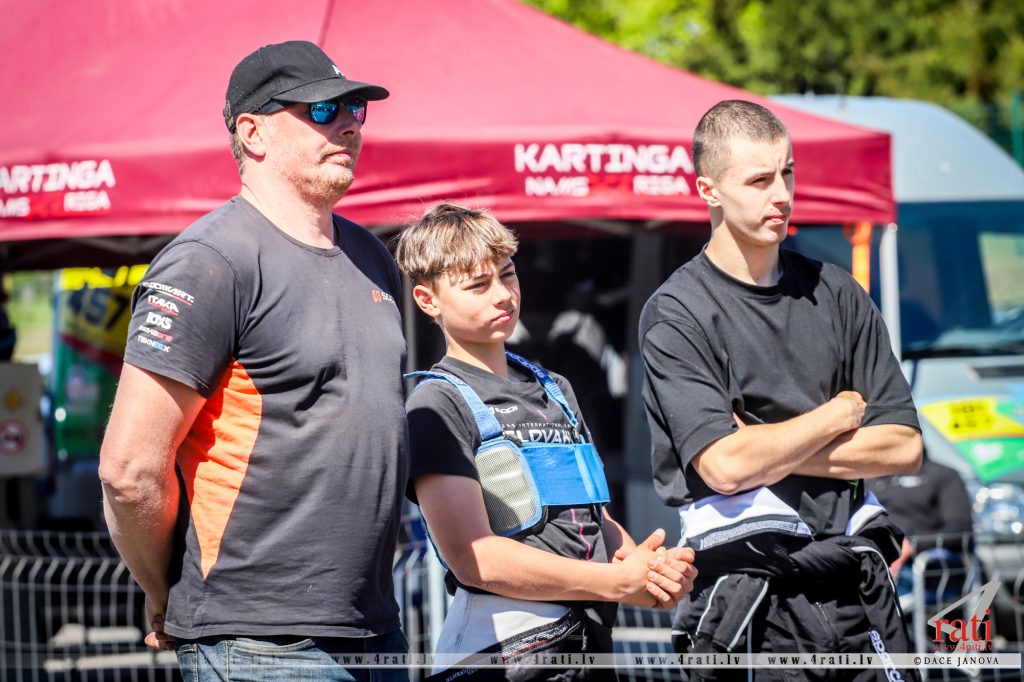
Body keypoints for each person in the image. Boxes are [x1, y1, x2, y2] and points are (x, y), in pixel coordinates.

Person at [98, 41, 408, 681]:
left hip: (375, 629)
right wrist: (166, 590)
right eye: (321, 109)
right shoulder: (210, 261)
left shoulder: (371, 256)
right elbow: (129, 471)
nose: (348, 125)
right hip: (259, 645)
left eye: (355, 109)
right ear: (253, 132)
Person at [639, 100, 924, 681]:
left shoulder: (837, 292)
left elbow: (904, 447)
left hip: (854, 588)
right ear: (709, 190)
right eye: (759, 180)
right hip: (748, 601)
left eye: (787, 173)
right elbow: (724, 467)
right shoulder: (677, 313)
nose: (782, 195)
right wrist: (839, 413)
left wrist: (765, 447)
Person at [395, 203, 697, 682]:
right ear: (427, 301)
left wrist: (649, 571)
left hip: (588, 645)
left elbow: (593, 521)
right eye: (478, 285)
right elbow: (475, 559)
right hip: (502, 655)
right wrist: (612, 581)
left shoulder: (556, 388)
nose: (502, 295)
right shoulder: (436, 403)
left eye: (507, 274)